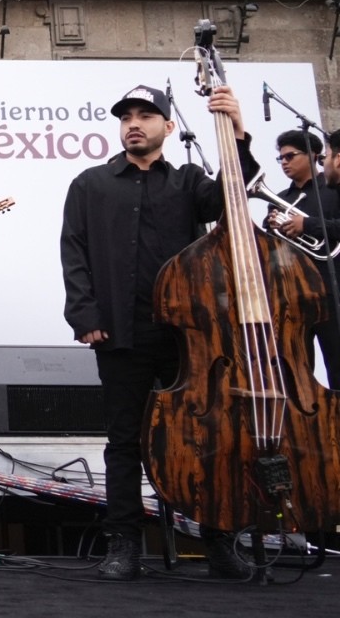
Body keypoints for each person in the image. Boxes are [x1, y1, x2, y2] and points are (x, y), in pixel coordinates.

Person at [60, 83, 257, 581]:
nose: (133, 122)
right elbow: (74, 253)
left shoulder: (189, 181)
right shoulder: (90, 184)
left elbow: (233, 197)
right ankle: (124, 545)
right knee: (123, 441)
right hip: (120, 335)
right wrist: (85, 316)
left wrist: (237, 133)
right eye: (126, 115)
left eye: (145, 115)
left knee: (206, 436)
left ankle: (218, 541)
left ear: (167, 126)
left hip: (189, 336)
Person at [260, 130, 339, 387]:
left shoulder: (333, 190)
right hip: (291, 296)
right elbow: (269, 248)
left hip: (330, 292)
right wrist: (270, 225)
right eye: (280, 158)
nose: (284, 162)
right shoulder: (280, 200)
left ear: (313, 155)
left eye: (290, 156)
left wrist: (307, 225)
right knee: (295, 372)